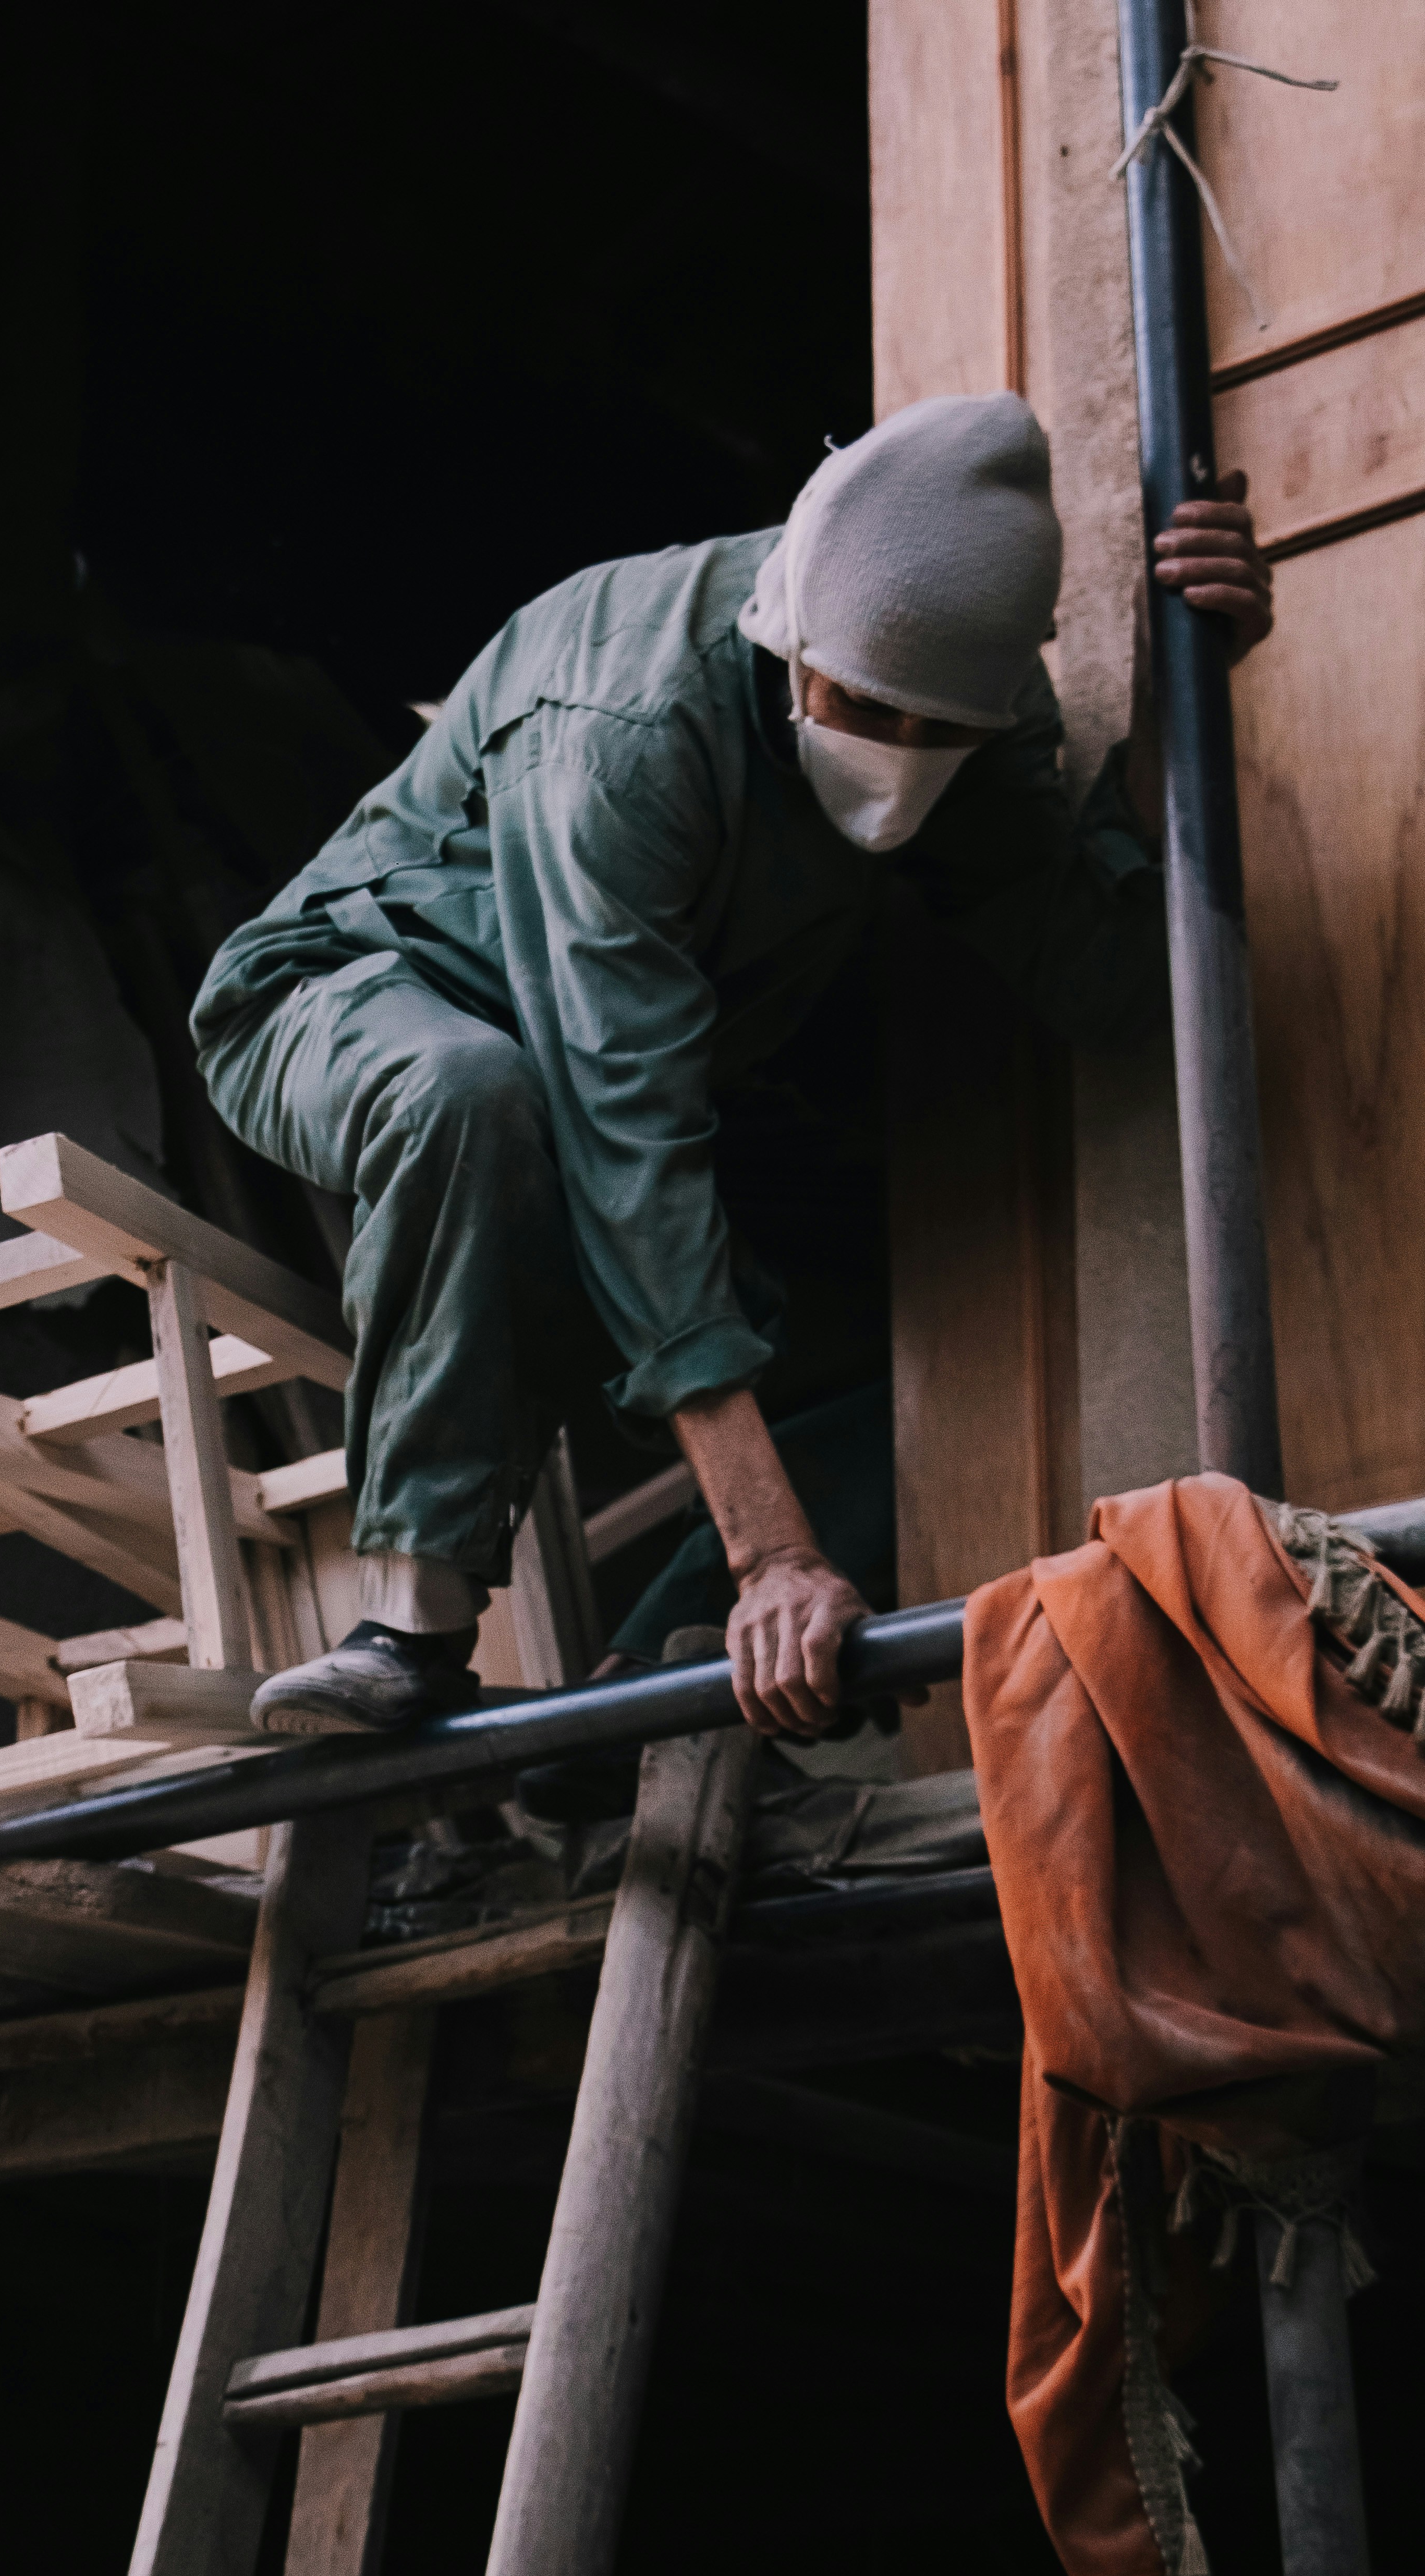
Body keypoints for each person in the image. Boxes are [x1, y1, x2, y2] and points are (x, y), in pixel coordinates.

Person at [191, 393, 1273, 1739]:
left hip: (641, 1095)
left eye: (935, 732)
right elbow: (615, 1118)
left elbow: (1101, 977)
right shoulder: (624, 719)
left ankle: (644, 1705)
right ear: (788, 635)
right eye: (858, 706)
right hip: (353, 1002)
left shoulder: (970, 701)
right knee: (477, 1094)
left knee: (921, 1333)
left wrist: (1185, 698)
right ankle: (411, 1623)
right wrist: (774, 1550)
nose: (897, 754)